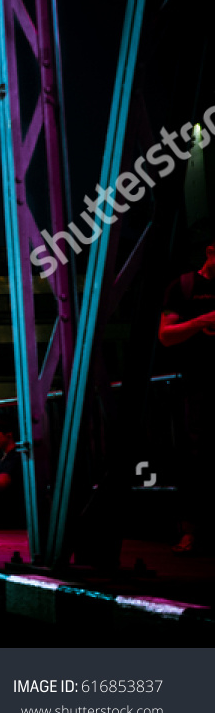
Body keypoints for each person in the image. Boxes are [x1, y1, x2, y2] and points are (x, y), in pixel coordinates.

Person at [158, 228, 215, 554]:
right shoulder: (183, 286)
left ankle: (193, 531)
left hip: (198, 384)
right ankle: (191, 530)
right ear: (209, 253)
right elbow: (166, 336)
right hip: (197, 384)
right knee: (197, 456)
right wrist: (201, 322)